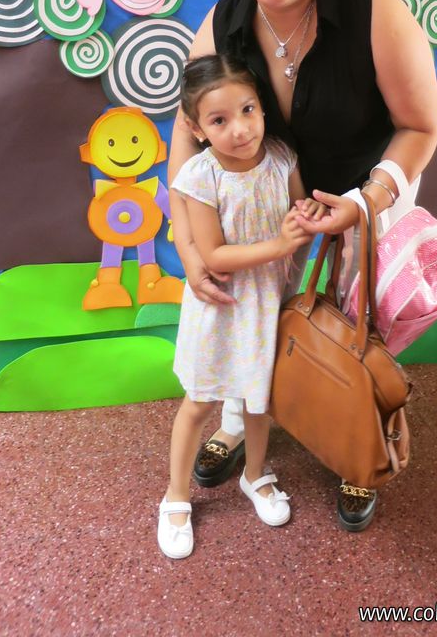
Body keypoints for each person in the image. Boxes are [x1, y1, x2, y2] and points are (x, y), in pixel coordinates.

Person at [168, 0, 437, 532]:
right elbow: (186, 132)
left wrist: (367, 201)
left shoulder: (375, 10)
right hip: (269, 206)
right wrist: (187, 244)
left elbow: (420, 126)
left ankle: (358, 447)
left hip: (368, 193)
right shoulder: (226, 18)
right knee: (253, 310)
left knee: (356, 328)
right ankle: (239, 419)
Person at [158, 53, 323, 559]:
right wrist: (280, 244)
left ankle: (255, 473)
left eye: (248, 110)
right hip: (222, 307)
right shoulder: (200, 176)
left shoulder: (282, 158)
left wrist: (305, 214)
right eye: (219, 120)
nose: (240, 129)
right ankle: (175, 496)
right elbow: (212, 255)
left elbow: (298, 207)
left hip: (268, 303)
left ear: (262, 107)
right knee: (199, 402)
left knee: (257, 399)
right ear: (196, 129)